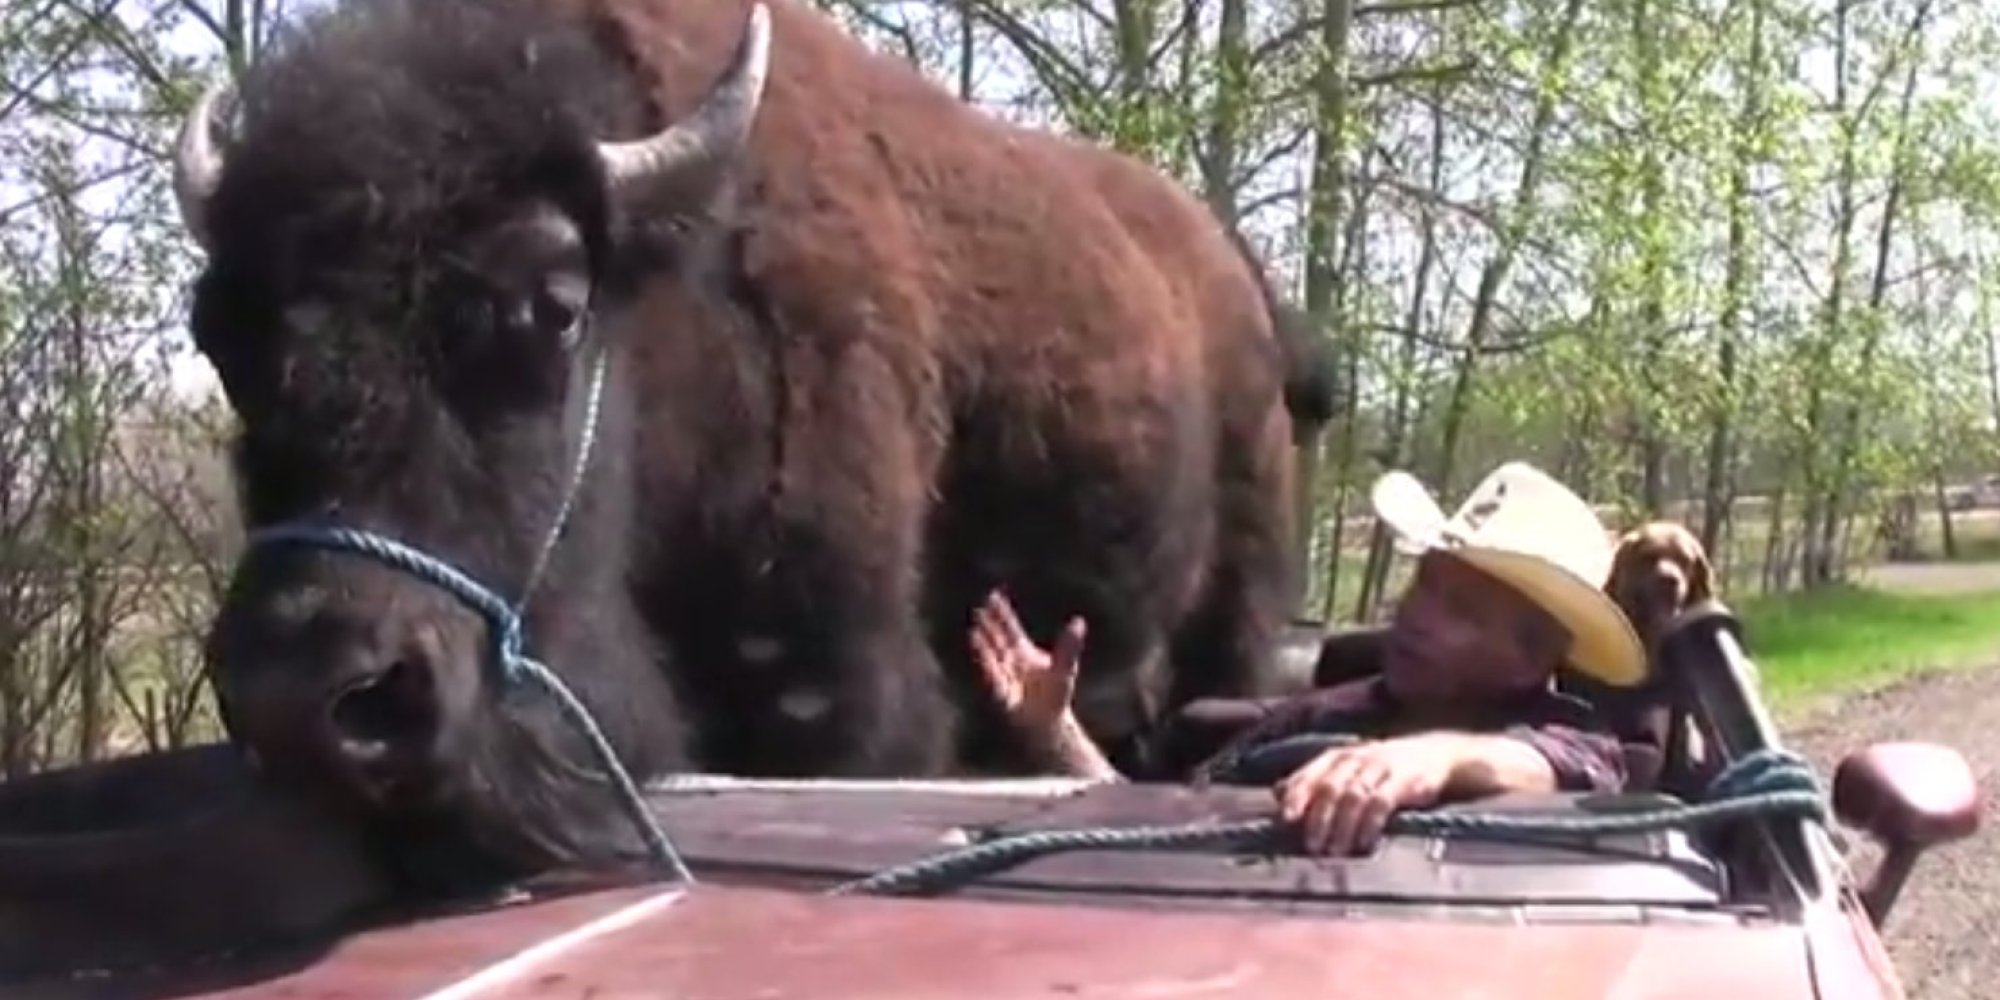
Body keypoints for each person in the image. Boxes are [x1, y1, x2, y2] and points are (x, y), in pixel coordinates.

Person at [971, 461, 1649, 857]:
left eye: (1463, 611)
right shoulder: (1311, 716)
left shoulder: (1572, 737)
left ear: (1530, 660)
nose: (1416, 614)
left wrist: (1427, 761)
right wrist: (1053, 732)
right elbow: (1134, 815)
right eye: (1425, 586)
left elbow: (1564, 769)